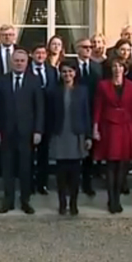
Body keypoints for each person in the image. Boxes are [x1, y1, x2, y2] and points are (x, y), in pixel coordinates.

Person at [0, 49, 44, 215]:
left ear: (27, 62)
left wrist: (38, 130)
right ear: (11, 62)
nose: (19, 63)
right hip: (6, 132)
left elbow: (39, 108)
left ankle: (25, 201)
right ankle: (8, 201)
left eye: (22, 60)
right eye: (16, 60)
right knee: (7, 168)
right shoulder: (2, 81)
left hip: (27, 133)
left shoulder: (34, 81)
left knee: (25, 168)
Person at [92, 59, 132, 214]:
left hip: (126, 126)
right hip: (109, 126)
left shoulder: (131, 86)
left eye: (120, 66)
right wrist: (95, 128)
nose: (117, 69)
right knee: (111, 164)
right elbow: (98, 107)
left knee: (123, 165)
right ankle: (111, 199)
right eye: (114, 66)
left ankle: (118, 198)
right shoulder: (103, 85)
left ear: (125, 69)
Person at [48, 61, 91, 216]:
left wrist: (88, 135)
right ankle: (62, 203)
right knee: (60, 173)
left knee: (75, 172)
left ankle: (73, 203)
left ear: (75, 73)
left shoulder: (82, 91)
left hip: (76, 134)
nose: (67, 75)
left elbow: (87, 114)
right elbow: (50, 114)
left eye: (70, 71)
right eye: (64, 72)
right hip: (60, 133)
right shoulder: (54, 91)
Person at [74, 37, 102, 197]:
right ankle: (74, 183)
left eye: (90, 47)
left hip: (92, 112)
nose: (88, 50)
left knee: (89, 150)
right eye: (84, 47)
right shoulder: (71, 66)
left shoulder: (97, 68)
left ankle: (87, 183)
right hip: (75, 112)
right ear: (77, 49)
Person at [28, 44, 57, 195]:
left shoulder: (52, 71)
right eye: (37, 53)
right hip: (29, 118)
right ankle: (29, 183)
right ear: (31, 54)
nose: (40, 56)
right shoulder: (25, 71)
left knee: (43, 154)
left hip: (47, 118)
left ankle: (42, 183)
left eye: (43, 53)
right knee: (29, 153)